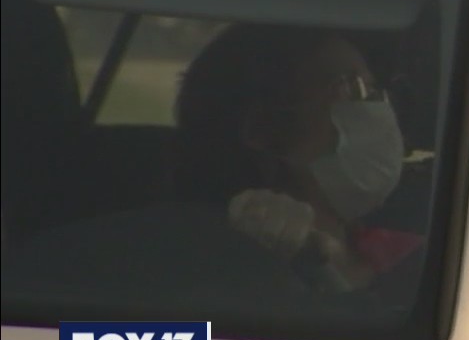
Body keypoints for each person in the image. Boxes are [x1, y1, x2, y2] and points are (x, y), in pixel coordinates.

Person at [175, 23, 419, 292]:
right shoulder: (204, 269)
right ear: (264, 128)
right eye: (355, 88)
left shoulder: (418, 257)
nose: (380, 107)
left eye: (375, 91)